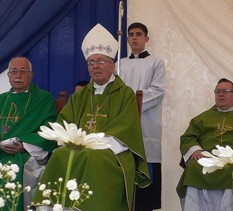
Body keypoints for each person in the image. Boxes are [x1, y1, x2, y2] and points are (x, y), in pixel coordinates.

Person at [33, 23, 150, 210]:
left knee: (93, 157)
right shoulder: (80, 95)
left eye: (101, 61)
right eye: (91, 62)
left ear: (112, 65)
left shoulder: (125, 93)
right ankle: (50, 207)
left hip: (111, 153)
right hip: (79, 149)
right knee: (59, 156)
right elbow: (64, 124)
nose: (95, 66)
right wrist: (71, 141)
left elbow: (127, 128)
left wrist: (93, 143)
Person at [176, 78, 233, 211]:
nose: (221, 94)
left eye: (225, 91)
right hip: (207, 159)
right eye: (218, 91)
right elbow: (188, 137)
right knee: (194, 168)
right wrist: (195, 150)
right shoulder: (203, 118)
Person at [0, 57, 58, 211]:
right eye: (14, 71)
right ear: (9, 76)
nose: (18, 76)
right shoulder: (1, 99)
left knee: (9, 168)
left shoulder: (43, 98)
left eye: (23, 71)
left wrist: (24, 144)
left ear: (31, 75)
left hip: (24, 154)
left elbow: (49, 129)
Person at [119, 22, 166, 211]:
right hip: (123, 124)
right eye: (131, 34)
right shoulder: (119, 64)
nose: (134, 38)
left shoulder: (156, 62)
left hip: (147, 123)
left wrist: (133, 104)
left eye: (139, 34)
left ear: (146, 38)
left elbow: (158, 90)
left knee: (146, 188)